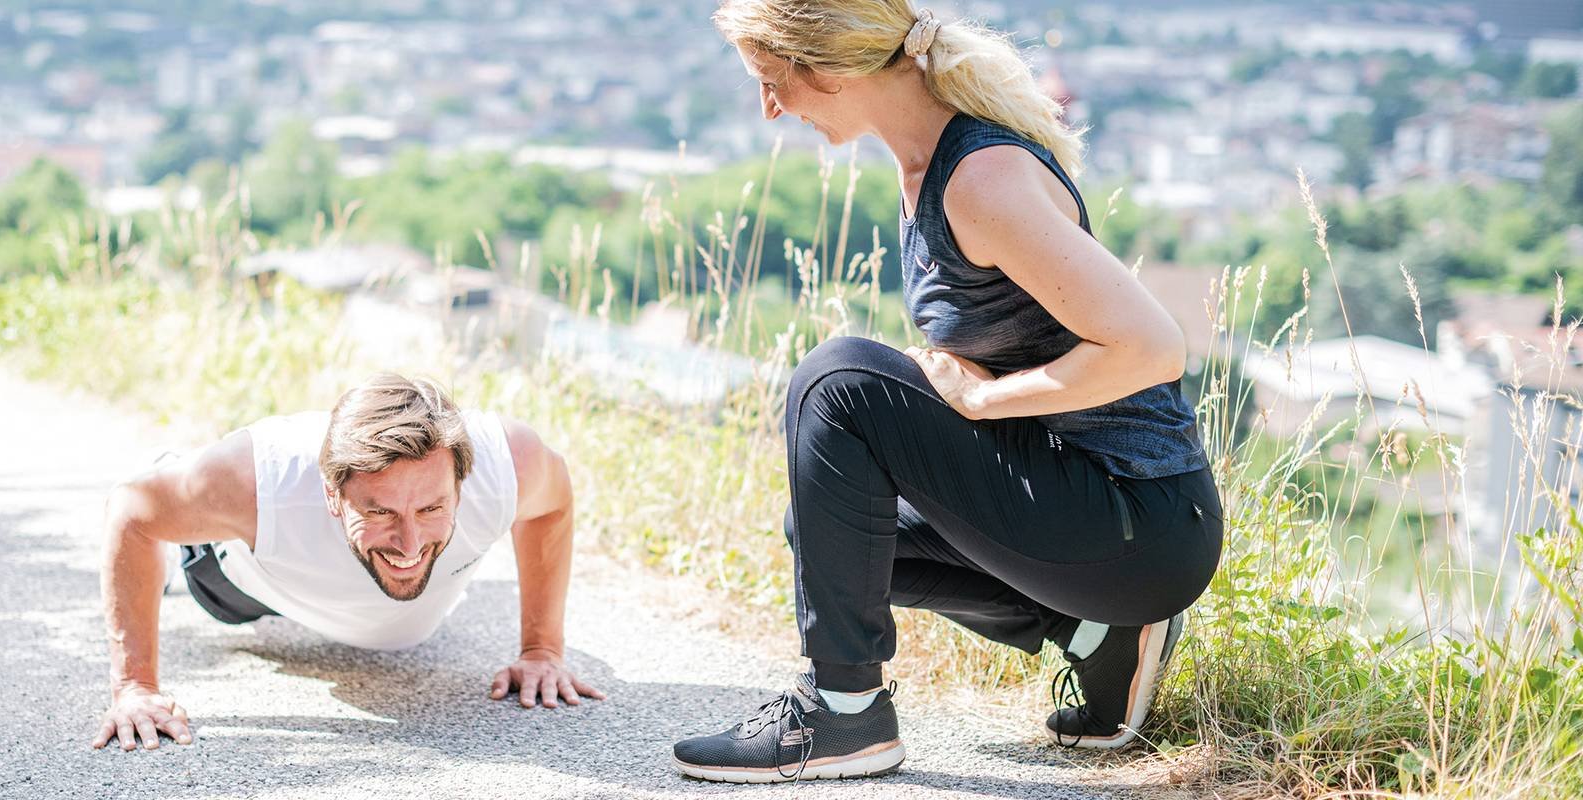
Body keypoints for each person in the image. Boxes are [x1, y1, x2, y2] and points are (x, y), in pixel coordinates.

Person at [673, 1, 1224, 782]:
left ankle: (845, 714)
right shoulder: (929, 168)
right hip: (1099, 523)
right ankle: (1096, 631)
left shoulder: (980, 177)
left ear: (829, 71)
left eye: (772, 81)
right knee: (829, 533)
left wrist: (978, 403)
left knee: (834, 379)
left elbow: (1153, 347)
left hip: (1144, 519)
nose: (770, 109)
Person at [91, 374, 604, 752]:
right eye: (380, 512)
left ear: (461, 484)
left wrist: (542, 650)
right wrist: (136, 686)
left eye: (431, 508)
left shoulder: (510, 464)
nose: (408, 544)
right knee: (178, 527)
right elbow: (131, 513)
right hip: (246, 582)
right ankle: (172, 468)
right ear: (333, 495)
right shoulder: (257, 484)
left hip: (392, 623)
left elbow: (553, 506)